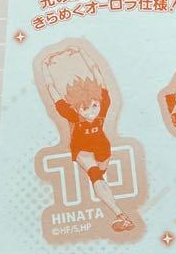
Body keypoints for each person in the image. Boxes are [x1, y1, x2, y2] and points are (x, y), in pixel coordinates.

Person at [42, 49, 134, 232]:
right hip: (82, 149)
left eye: (94, 106)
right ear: (76, 108)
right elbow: (52, 88)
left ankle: (104, 193)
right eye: (84, 109)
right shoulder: (72, 115)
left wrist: (82, 52)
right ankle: (120, 215)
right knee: (95, 176)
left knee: (100, 175)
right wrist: (45, 66)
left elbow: (96, 71)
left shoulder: (103, 104)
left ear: (98, 101)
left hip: (102, 147)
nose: (91, 112)